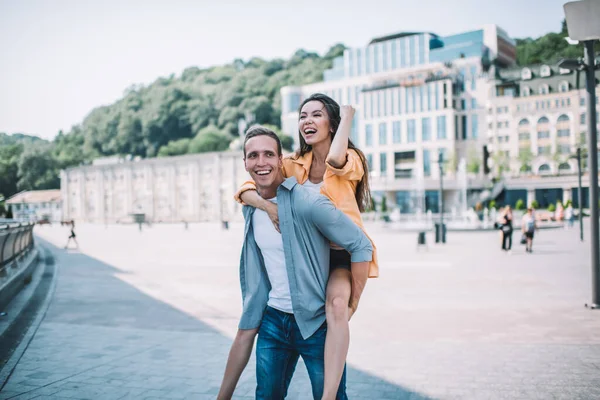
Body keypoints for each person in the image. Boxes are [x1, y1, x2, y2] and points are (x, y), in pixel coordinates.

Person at [232, 93, 378, 399]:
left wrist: (348, 115)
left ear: (332, 123)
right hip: (310, 256)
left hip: (340, 256)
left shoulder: (352, 159)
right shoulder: (293, 163)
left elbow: (335, 160)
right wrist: (268, 207)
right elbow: (249, 186)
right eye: (302, 116)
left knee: (338, 306)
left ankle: (328, 395)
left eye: (316, 115)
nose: (307, 121)